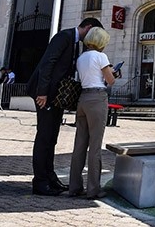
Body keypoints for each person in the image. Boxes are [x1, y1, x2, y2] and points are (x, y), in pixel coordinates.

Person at [26, 17, 103, 196]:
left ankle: (50, 177)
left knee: (52, 136)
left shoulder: (76, 43)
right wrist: (42, 92)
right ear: (89, 27)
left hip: (56, 97)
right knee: (44, 136)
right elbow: (48, 63)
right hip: (45, 94)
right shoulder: (64, 37)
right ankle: (40, 182)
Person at [69, 26, 115, 200]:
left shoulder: (81, 57)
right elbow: (110, 81)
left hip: (83, 97)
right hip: (97, 98)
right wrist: (114, 73)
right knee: (95, 145)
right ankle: (93, 188)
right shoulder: (101, 56)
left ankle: (74, 186)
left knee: (80, 144)